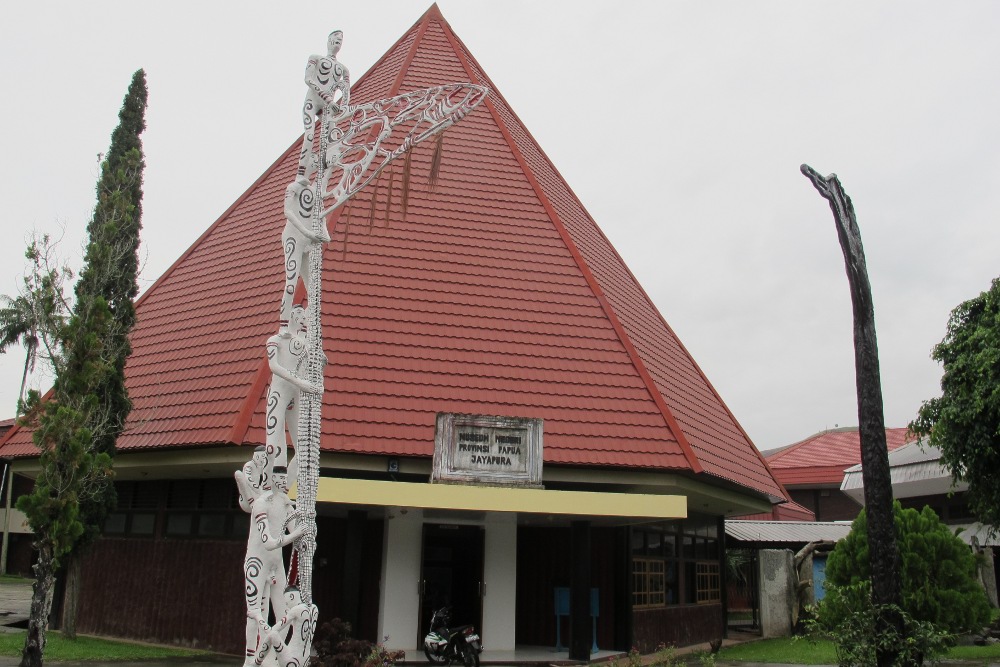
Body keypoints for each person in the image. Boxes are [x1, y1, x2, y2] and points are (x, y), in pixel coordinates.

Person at [242, 462, 311, 667]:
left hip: (276, 563)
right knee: (255, 613)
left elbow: (296, 532)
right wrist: (296, 534)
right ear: (270, 480)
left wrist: (306, 530)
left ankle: (275, 652)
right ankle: (250, 658)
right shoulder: (261, 504)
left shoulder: (285, 502)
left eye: (284, 480)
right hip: (257, 562)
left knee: (284, 611)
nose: (283, 484)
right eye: (279, 480)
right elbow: (269, 542)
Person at [265, 306, 321, 469]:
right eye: (299, 314)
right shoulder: (276, 340)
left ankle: (284, 489)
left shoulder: (306, 344)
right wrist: (301, 382)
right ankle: (269, 488)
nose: (303, 317)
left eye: (304, 315)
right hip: (279, 392)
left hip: (296, 394)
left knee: (304, 452)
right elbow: (274, 366)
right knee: (272, 447)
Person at [298, 30, 351, 185]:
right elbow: (308, 80)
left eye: (340, 40)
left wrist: (343, 107)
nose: (338, 41)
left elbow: (346, 90)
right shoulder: (315, 58)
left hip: (328, 108)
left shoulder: (343, 69)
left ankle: (322, 173)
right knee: (309, 135)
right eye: (335, 38)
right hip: (312, 102)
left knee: (334, 141)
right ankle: (301, 174)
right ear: (328, 41)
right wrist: (328, 99)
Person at [281, 180, 330, 324]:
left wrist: (325, 234)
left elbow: (322, 217)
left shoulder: (315, 191)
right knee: (291, 284)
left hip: (308, 241)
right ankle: (284, 327)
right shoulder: (293, 187)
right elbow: (287, 211)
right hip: (293, 238)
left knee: (314, 289)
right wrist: (307, 232)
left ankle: (309, 325)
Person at [252, 585, 319, 667]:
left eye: (286, 603)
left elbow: (272, 630)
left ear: (291, 596)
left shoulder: (296, 610)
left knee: (273, 635)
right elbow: (302, 626)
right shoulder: (314, 608)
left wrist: (258, 617)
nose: (287, 605)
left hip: (292, 660)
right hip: (305, 661)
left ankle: (256, 663)